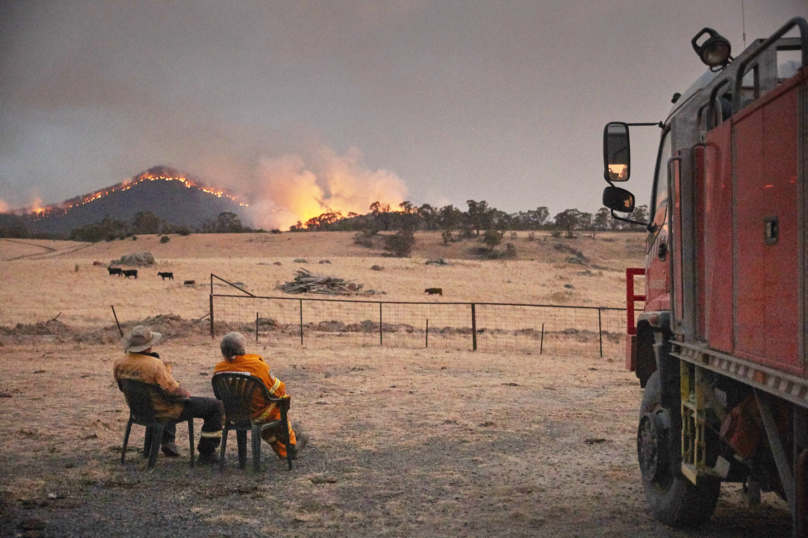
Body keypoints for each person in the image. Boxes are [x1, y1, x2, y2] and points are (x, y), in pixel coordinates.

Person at [113, 325, 223, 464]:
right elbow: (173, 392)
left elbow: (122, 387)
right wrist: (185, 393)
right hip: (161, 411)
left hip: (138, 411)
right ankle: (207, 453)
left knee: (161, 398)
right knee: (215, 406)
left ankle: (163, 443)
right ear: (149, 346)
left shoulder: (119, 362)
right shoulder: (155, 364)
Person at [213, 332, 307, 459]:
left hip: (231, 415)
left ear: (223, 352)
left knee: (268, 418)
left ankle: (284, 449)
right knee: (279, 405)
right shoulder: (259, 367)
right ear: (243, 349)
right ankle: (291, 440)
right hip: (258, 415)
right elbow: (278, 390)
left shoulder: (219, 369)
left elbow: (218, 396)